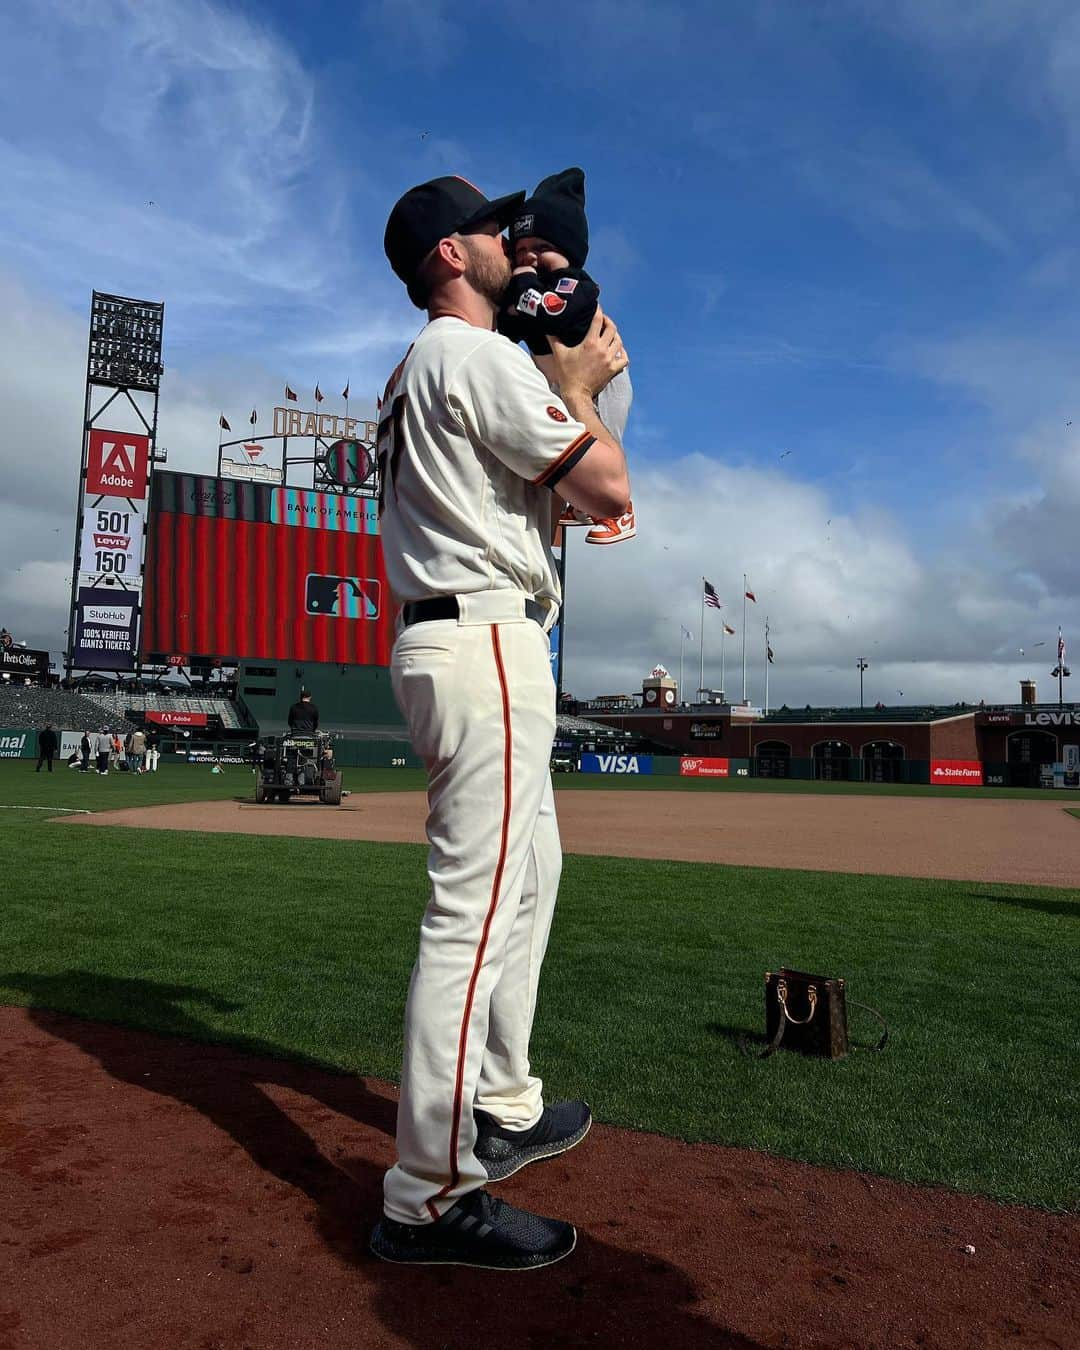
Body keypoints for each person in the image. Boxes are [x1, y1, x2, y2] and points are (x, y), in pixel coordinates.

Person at [370, 175, 630, 1271]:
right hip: (480, 640)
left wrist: (563, 411)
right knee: (470, 920)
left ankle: (506, 1104)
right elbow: (607, 482)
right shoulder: (468, 356)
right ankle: (426, 1195)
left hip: (463, 632)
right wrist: (576, 385)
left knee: (532, 876)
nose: (506, 241)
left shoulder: (423, 372)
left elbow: (571, 504)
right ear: (445, 257)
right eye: (485, 228)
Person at [497, 168, 635, 547]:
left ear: (567, 248)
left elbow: (549, 312)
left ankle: (621, 513)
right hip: (564, 380)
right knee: (570, 442)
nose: (530, 259)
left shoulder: (577, 285)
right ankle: (581, 502)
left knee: (601, 441)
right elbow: (510, 327)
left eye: (541, 248)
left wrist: (522, 280)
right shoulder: (528, 290)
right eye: (521, 250)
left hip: (603, 382)